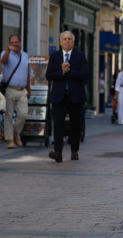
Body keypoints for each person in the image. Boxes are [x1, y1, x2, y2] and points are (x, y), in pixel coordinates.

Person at [46, 31, 90, 162]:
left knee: (75, 124)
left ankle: (74, 151)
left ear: (73, 42)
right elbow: (49, 76)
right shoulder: (54, 56)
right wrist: (61, 72)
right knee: (58, 124)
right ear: (60, 42)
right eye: (64, 39)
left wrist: (69, 71)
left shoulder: (80, 56)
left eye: (69, 39)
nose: (66, 41)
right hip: (59, 96)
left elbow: (85, 74)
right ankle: (58, 152)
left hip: (75, 96)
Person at [0, 34, 30, 149]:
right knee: (9, 115)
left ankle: (16, 133)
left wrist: (29, 89)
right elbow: (3, 60)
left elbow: (27, 73)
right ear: (9, 44)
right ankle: (10, 140)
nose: (14, 45)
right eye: (12, 43)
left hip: (22, 90)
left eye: (16, 42)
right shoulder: (5, 53)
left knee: (23, 114)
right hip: (10, 89)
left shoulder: (25, 56)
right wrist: (8, 50)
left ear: (20, 43)